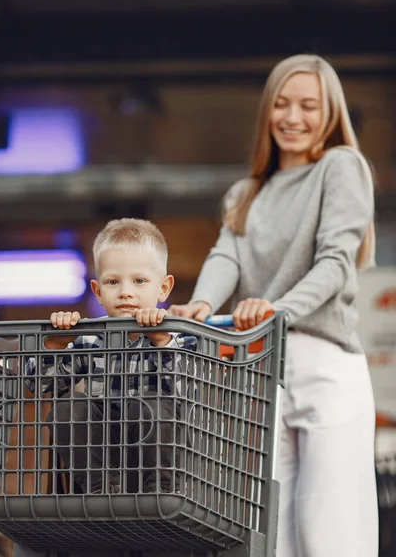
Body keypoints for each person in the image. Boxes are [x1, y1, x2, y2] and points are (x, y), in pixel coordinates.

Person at [169, 55, 378, 557]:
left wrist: (275, 310)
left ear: (329, 113)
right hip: (261, 371)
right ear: (267, 111)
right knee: (266, 534)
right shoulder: (245, 193)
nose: (293, 117)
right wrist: (202, 302)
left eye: (309, 105)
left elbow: (335, 263)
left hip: (324, 365)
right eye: (281, 104)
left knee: (331, 530)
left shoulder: (340, 167)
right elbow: (227, 254)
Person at [26, 218, 196, 494]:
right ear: (98, 291)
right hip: (103, 464)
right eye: (113, 281)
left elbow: (190, 389)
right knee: (69, 406)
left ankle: (163, 493)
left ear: (163, 288)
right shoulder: (90, 339)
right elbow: (41, 384)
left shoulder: (180, 337)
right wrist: (55, 344)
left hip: (157, 463)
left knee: (153, 404)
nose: (126, 291)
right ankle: (101, 493)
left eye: (139, 281)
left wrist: (161, 340)